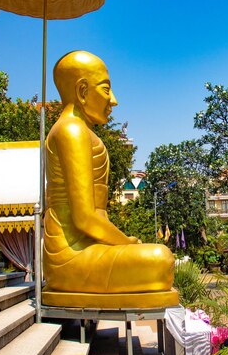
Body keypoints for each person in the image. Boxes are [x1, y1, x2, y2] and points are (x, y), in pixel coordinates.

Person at [42, 50, 177, 306]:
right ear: (82, 91)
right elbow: (84, 218)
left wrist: (124, 245)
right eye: (106, 89)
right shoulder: (71, 130)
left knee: (158, 259)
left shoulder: (79, 130)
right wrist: (126, 242)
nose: (113, 100)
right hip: (70, 255)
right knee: (160, 258)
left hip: (90, 248)